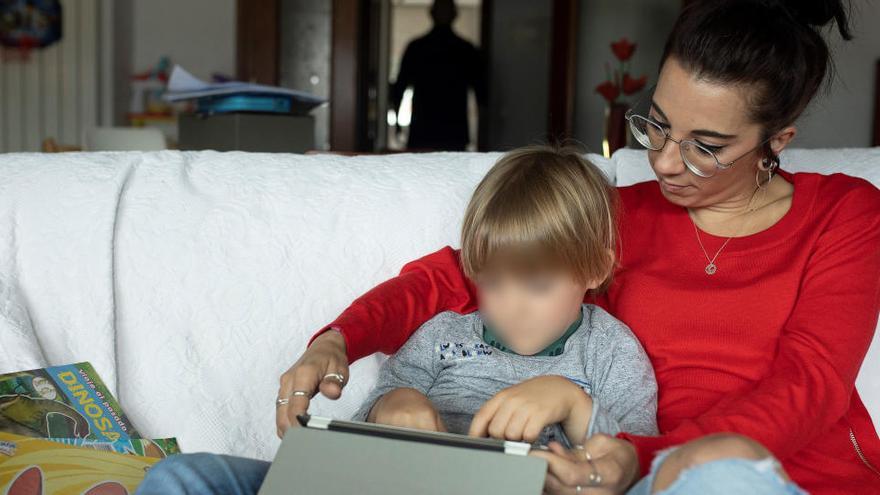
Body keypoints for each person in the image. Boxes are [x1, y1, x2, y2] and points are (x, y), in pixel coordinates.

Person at [138, 1, 880, 494]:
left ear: (777, 140)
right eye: (655, 125)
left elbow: (808, 387)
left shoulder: (846, 215)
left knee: (720, 477)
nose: (661, 160)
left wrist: (639, 455)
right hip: (591, 469)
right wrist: (339, 337)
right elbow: (453, 277)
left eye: (706, 147)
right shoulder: (612, 216)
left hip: (751, 472)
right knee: (189, 478)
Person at [353, 146, 658, 446]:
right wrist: (391, 404)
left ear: (596, 269)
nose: (512, 309)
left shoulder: (609, 352)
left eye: (538, 286)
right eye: (493, 283)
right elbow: (362, 419)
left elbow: (636, 456)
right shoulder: (443, 336)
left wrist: (575, 406)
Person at [391, 0, 486, 151]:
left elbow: (482, 95)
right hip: (445, 131)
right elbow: (481, 95)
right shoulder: (464, 49)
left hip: (434, 131)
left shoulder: (418, 48)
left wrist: (397, 125)